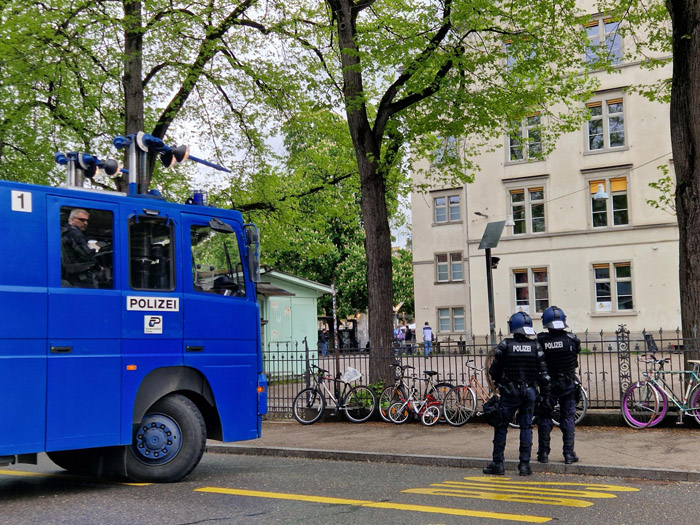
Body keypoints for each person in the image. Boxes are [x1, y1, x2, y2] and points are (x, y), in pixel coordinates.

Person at [483, 311, 550, 477]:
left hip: (510, 392)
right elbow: (544, 375)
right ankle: (524, 465)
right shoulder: (536, 346)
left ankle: (498, 463)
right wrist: (544, 395)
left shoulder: (505, 345)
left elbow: (494, 370)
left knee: (501, 426)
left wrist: (500, 385)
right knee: (526, 426)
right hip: (529, 392)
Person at [536, 306, 581, 465]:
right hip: (568, 384)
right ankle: (569, 454)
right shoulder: (572, 338)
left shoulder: (540, 341)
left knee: (545, 417)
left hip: (548, 386)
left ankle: (543, 454)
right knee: (568, 418)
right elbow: (575, 355)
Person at [61, 208, 101, 288]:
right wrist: (98, 266)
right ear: (72, 219)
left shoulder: (64, 232)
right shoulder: (74, 233)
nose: (85, 223)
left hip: (68, 274)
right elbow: (85, 254)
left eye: (87, 221)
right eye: (82, 220)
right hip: (80, 275)